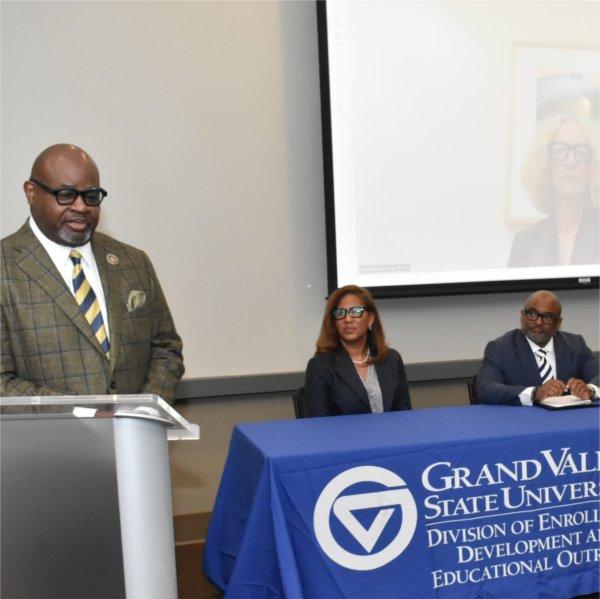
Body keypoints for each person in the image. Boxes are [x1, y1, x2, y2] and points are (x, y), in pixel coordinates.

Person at [1, 144, 184, 402]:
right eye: (65, 194)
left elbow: (166, 349)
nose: (81, 206)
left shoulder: (133, 262)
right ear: (31, 192)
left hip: (137, 435)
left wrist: (143, 413)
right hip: (48, 440)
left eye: (91, 195)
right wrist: (85, 417)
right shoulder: (4, 267)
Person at [304, 284, 411, 417]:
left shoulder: (391, 359)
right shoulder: (320, 366)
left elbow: (405, 416)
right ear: (334, 322)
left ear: (370, 318)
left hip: (390, 437)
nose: (347, 319)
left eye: (356, 311)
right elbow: (318, 425)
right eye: (340, 313)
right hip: (343, 438)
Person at [477, 290, 599, 406]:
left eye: (548, 317)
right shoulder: (500, 348)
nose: (538, 322)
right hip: (524, 422)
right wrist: (534, 394)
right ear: (522, 316)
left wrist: (591, 390)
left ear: (558, 323)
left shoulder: (575, 344)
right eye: (532, 314)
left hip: (570, 419)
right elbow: (486, 388)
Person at [509, 115, 599, 267]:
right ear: (545, 164)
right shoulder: (524, 244)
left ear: (594, 166)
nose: (570, 162)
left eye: (581, 152)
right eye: (560, 150)